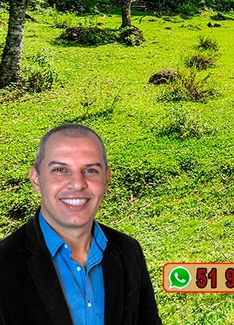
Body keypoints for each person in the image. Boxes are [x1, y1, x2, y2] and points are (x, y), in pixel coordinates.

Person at [0, 123, 162, 325]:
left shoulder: (129, 252)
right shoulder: (4, 263)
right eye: (60, 169)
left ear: (106, 179)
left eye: (91, 170)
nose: (77, 184)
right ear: (36, 179)